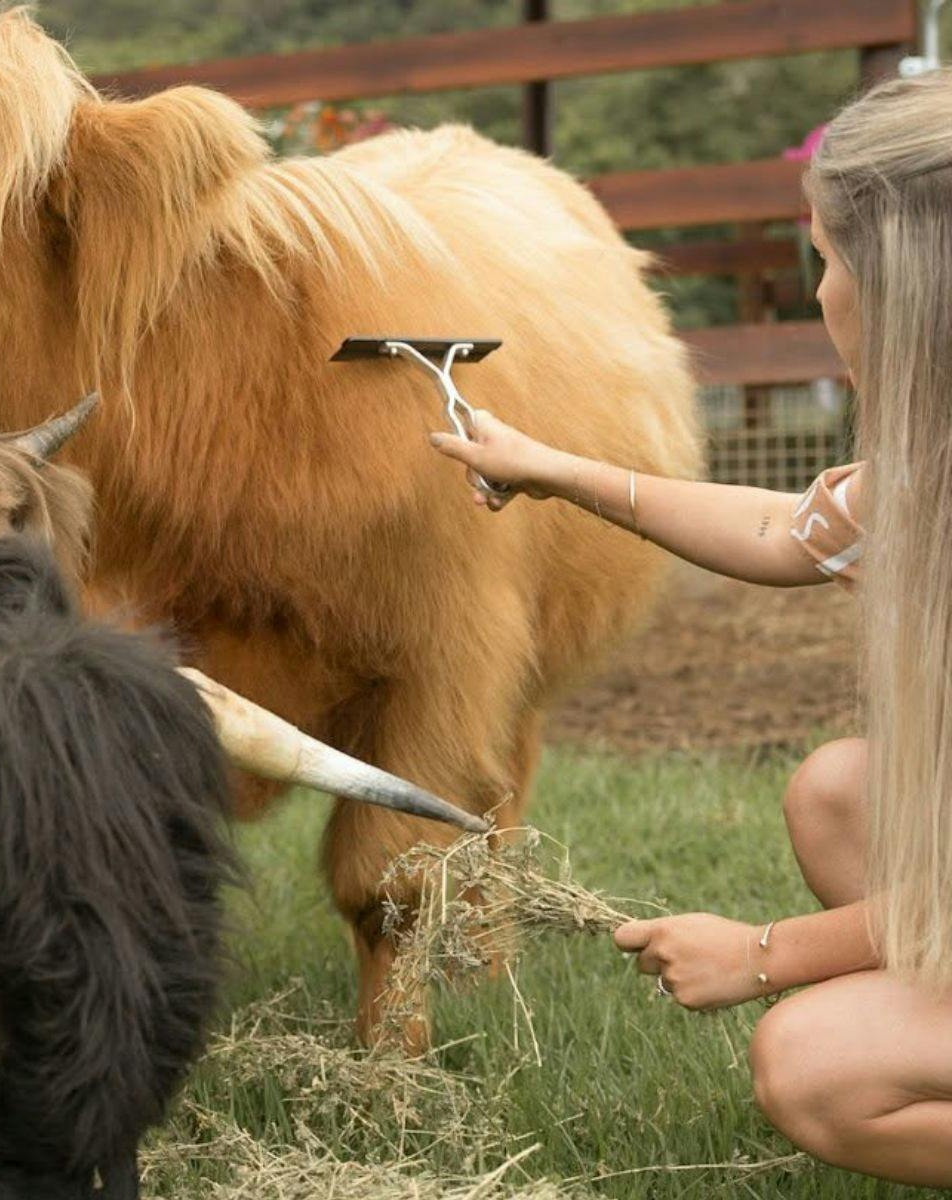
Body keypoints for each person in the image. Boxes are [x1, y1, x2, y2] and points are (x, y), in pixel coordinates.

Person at [427, 70, 952, 1187]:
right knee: (840, 791)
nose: (819, 293)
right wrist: (553, 469)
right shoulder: (925, 477)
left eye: (827, 257)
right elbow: (780, 530)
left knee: (813, 1061)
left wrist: (762, 956)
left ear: (909, 285)